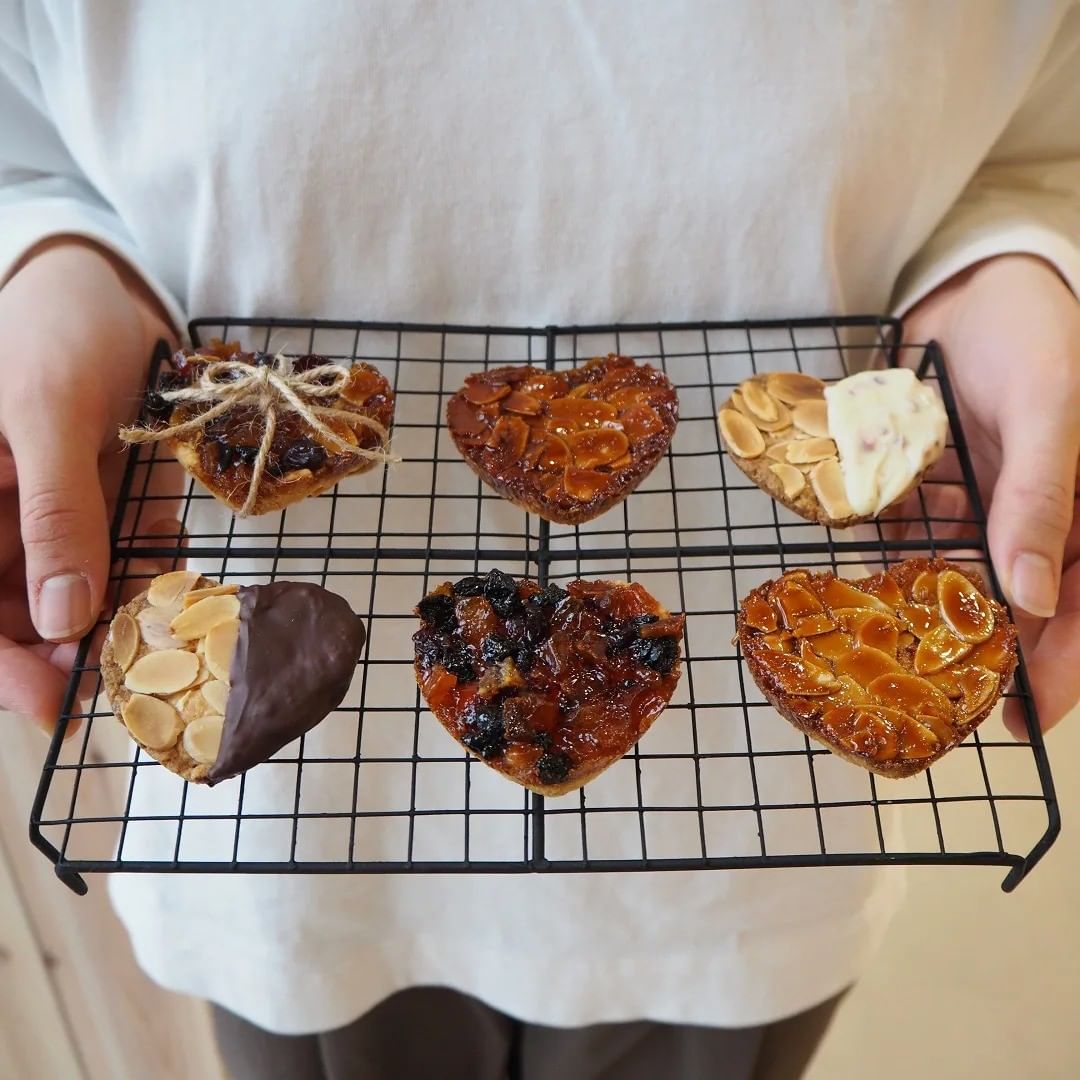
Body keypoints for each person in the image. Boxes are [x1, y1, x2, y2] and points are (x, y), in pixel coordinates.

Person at [1, 3, 1078, 1078]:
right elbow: (28, 153)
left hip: (751, 872)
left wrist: (1010, 276)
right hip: (290, 828)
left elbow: (1038, 154)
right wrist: (52, 272)